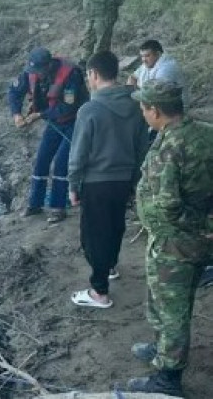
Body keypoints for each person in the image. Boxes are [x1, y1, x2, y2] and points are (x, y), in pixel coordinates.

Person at [124, 80, 213, 396]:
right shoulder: (203, 132)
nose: (142, 112)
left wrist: (202, 224)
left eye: (143, 108)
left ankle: (168, 377)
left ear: (155, 110)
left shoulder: (170, 148)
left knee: (172, 306)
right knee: (165, 299)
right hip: (190, 241)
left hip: (175, 242)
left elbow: (169, 206)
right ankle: (162, 347)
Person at [67, 51, 150, 309]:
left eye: (88, 75)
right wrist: (136, 179)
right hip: (124, 179)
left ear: (93, 74)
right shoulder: (136, 106)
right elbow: (142, 148)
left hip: (97, 182)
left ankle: (99, 292)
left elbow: (78, 154)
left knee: (93, 235)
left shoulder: (89, 110)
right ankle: (110, 266)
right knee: (115, 226)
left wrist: (73, 184)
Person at [8, 47, 88, 223]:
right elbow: (14, 92)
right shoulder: (28, 73)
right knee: (42, 160)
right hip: (54, 121)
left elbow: (69, 106)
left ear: (49, 66)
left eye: (39, 71)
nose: (37, 74)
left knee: (61, 162)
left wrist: (40, 115)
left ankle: (58, 207)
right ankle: (35, 204)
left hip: (74, 121)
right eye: (34, 71)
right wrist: (17, 115)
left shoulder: (70, 74)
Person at [127, 39, 187, 103]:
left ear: (158, 54)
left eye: (147, 56)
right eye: (142, 56)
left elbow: (156, 96)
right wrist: (131, 92)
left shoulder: (166, 69)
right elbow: (132, 77)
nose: (144, 59)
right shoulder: (149, 63)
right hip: (154, 103)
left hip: (171, 109)